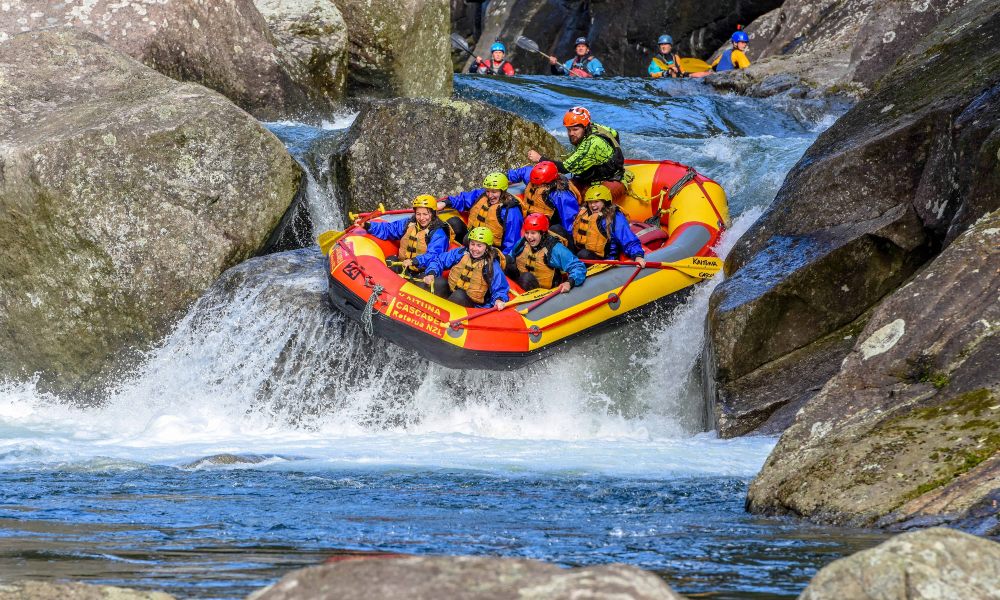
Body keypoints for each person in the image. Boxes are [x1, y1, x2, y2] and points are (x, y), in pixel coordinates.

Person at [527, 106, 626, 199]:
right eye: (568, 129)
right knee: (564, 188)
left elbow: (565, 168)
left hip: (611, 181)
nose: (571, 134)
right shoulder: (595, 127)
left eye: (575, 129)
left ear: (585, 127)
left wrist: (539, 159)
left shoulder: (592, 144)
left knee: (590, 204)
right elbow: (614, 133)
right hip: (596, 176)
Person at [364, 194, 453, 275]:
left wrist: (414, 261)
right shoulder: (409, 223)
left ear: (433, 214)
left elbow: (435, 256)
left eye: (425, 214)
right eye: (418, 214)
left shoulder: (438, 233)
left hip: (423, 271)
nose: (422, 218)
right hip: (404, 265)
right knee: (390, 260)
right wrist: (368, 225)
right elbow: (390, 229)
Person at [424, 227, 510, 309]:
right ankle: (430, 309)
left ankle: (445, 315)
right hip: (452, 291)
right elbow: (439, 261)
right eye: (472, 244)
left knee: (459, 295)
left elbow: (500, 288)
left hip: (472, 304)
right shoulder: (461, 253)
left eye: (479, 246)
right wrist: (431, 273)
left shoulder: (491, 265)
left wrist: (499, 300)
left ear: (487, 247)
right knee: (438, 282)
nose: (474, 249)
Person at [438, 172, 524, 254]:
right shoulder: (482, 195)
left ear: (503, 191)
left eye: (494, 192)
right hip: (473, 237)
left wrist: (502, 260)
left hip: (491, 248)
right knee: (454, 222)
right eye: (488, 191)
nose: (490, 195)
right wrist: (445, 203)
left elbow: (512, 243)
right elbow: (464, 199)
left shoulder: (511, 211)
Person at [505, 213, 586, 293]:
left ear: (542, 233)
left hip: (545, 291)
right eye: (527, 232)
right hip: (523, 284)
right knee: (506, 260)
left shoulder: (554, 248)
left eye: (533, 233)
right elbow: (511, 256)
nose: (529, 237)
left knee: (526, 278)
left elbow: (578, 266)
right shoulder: (523, 242)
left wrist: (569, 282)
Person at [505, 160, 580, 242]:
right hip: (528, 218)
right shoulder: (533, 177)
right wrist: (505, 176)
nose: (536, 186)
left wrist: (569, 240)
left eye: (539, 184)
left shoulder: (561, 195)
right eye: (534, 183)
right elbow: (522, 172)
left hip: (545, 227)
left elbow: (569, 220)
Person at [572, 185, 645, 266]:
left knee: (583, 254)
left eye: (596, 201)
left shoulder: (614, 217)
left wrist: (638, 256)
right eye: (590, 202)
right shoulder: (585, 214)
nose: (592, 205)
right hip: (584, 252)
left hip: (605, 259)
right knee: (558, 229)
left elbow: (627, 237)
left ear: (605, 202)